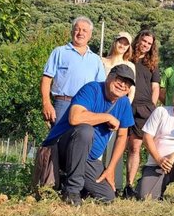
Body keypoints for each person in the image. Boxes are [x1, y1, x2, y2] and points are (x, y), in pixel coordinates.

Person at [41, 64, 135, 206]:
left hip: (88, 159)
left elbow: (122, 137)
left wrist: (110, 169)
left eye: (127, 83)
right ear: (109, 76)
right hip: (64, 149)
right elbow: (75, 118)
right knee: (85, 130)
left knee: (107, 196)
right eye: (120, 80)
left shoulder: (124, 103)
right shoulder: (92, 89)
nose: (123, 85)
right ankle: (72, 190)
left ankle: (68, 182)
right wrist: (107, 117)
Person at [41, 16, 106, 126]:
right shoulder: (59, 52)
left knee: (81, 140)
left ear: (90, 35)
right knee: (57, 141)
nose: (80, 33)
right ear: (72, 32)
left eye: (84, 30)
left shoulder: (96, 60)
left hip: (86, 107)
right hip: (63, 104)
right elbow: (46, 79)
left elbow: (100, 88)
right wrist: (46, 103)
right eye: (77, 29)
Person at [123, 30, 160, 198]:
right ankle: (112, 182)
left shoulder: (152, 64)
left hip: (144, 108)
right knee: (119, 145)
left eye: (149, 43)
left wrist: (151, 106)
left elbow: (155, 87)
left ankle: (129, 185)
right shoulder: (127, 58)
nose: (145, 44)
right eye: (143, 41)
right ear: (138, 40)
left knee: (135, 147)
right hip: (124, 105)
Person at [101, 31, 136, 196]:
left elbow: (131, 93)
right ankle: (93, 180)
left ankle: (114, 185)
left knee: (116, 146)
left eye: (126, 43)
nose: (122, 45)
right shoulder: (101, 61)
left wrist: (120, 112)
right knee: (99, 147)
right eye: (120, 41)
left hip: (118, 111)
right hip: (100, 109)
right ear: (114, 42)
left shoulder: (130, 66)